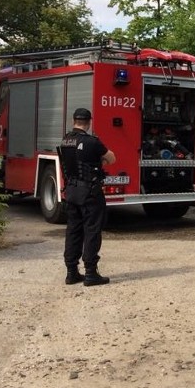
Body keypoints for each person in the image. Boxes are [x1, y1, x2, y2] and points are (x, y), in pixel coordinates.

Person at [58, 107, 116, 286]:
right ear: (89, 122)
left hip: (71, 191)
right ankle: (91, 273)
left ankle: (71, 272)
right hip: (90, 193)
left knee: (73, 231)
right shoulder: (92, 142)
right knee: (92, 230)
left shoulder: (65, 140)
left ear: (73, 121)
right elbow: (111, 158)